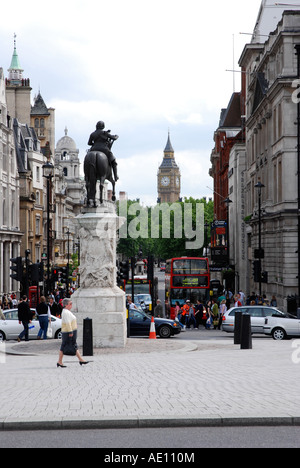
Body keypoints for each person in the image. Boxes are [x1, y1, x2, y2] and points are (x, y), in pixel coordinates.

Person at [57, 298, 88, 368]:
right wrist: (70, 332)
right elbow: (68, 323)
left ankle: (80, 359)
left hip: (70, 331)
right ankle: (60, 361)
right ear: (66, 305)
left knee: (73, 345)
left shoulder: (67, 312)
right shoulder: (65, 312)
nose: (71, 305)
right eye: (70, 304)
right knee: (65, 346)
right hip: (68, 332)